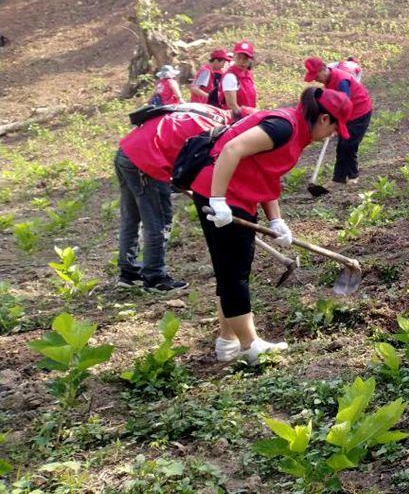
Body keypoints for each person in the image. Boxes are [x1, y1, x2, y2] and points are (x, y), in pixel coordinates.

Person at [191, 87, 353, 363]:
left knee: (230, 269)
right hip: (222, 195)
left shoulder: (297, 132)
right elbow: (232, 149)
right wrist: (218, 200)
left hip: (238, 195)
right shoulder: (283, 127)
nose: (334, 135)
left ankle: (227, 341)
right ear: (324, 119)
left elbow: (267, 173)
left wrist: (276, 219)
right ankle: (250, 345)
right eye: (336, 128)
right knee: (235, 272)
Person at [115, 103, 230, 292]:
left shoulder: (210, 112)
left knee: (132, 217)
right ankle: (155, 277)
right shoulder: (215, 132)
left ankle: (129, 273)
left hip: (127, 152)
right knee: (158, 219)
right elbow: (197, 167)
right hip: (145, 161)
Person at [303, 56, 374, 183]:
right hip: (348, 113)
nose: (317, 80)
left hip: (360, 112)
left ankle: (353, 177)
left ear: (323, 69)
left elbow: (344, 103)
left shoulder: (342, 81)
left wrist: (336, 123)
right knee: (341, 146)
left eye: (317, 77)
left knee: (349, 145)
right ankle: (338, 179)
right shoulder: (328, 80)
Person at [221, 40, 258, 120]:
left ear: (250, 59)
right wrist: (246, 120)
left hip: (247, 116)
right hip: (234, 121)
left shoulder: (248, 75)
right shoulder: (230, 76)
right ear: (234, 57)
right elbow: (232, 105)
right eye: (239, 58)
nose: (241, 61)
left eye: (245, 59)